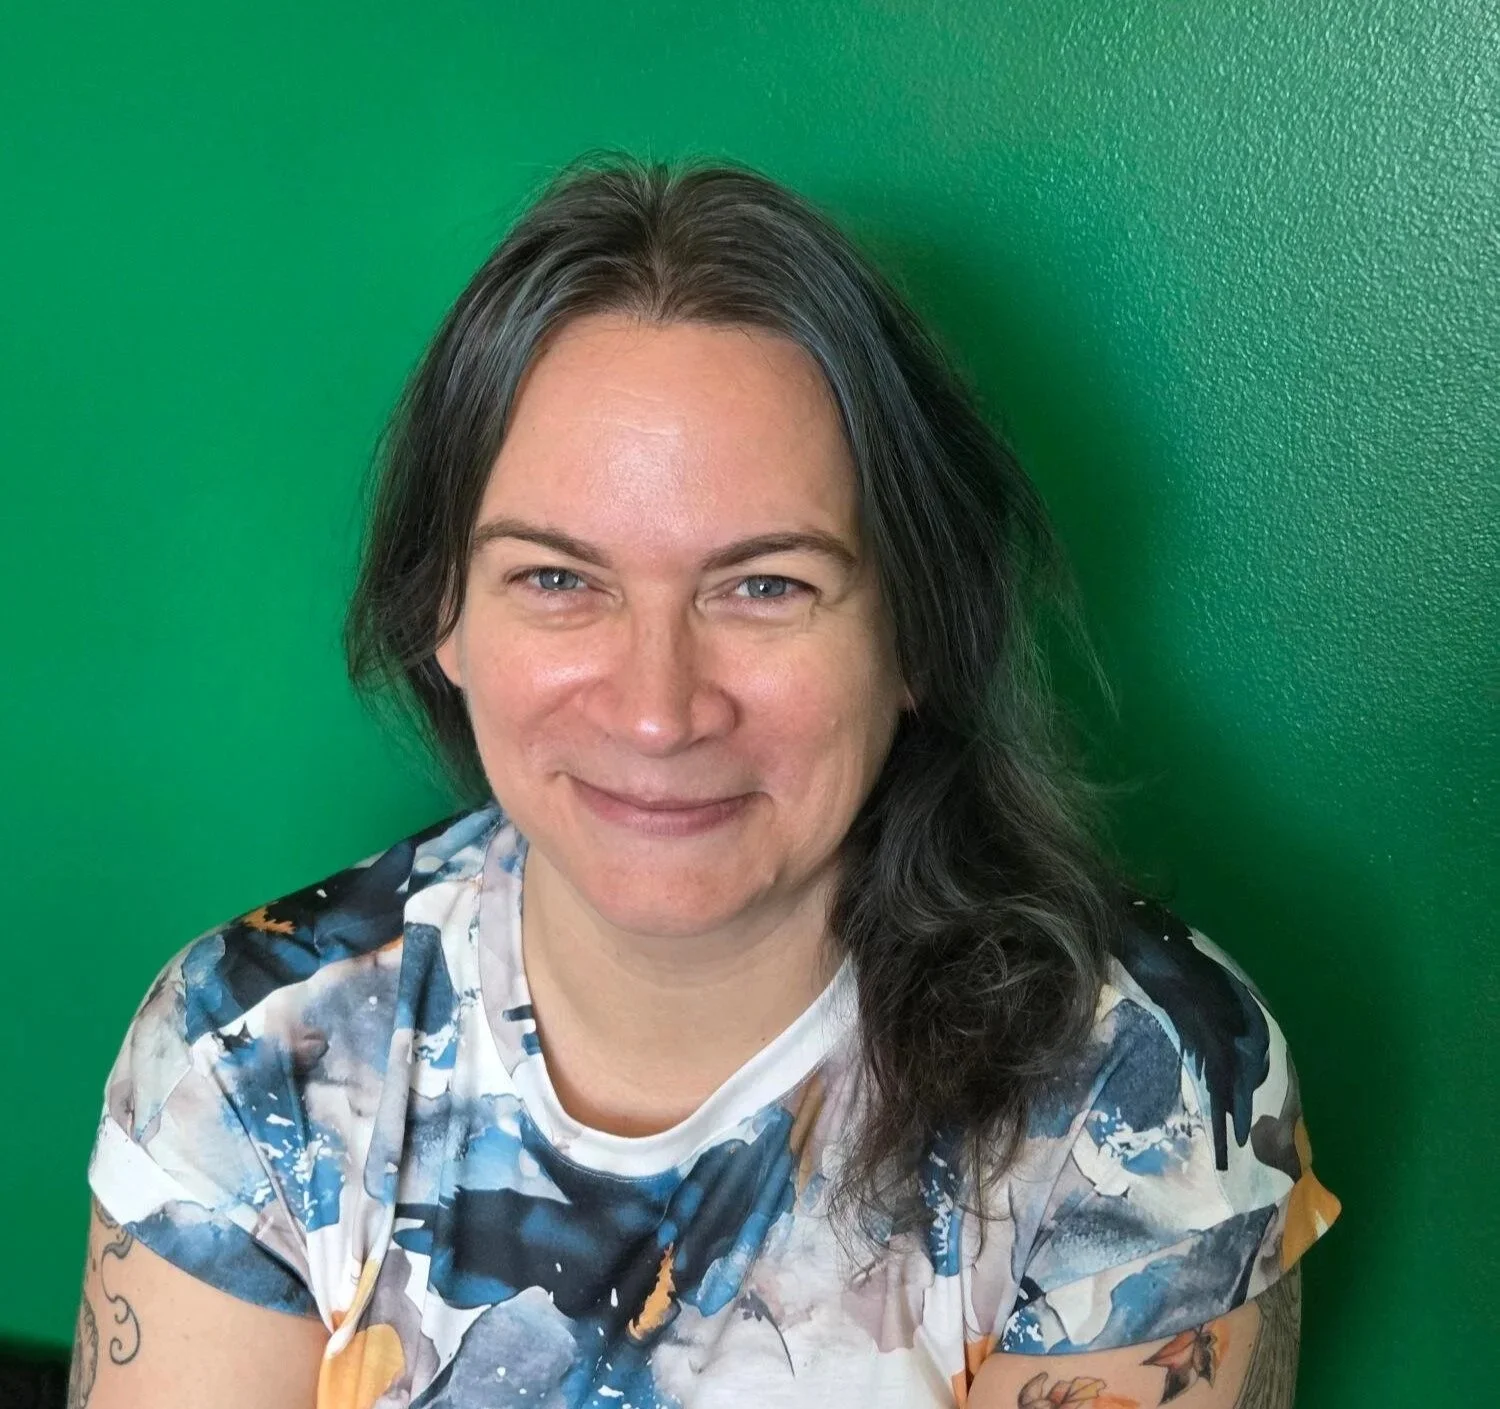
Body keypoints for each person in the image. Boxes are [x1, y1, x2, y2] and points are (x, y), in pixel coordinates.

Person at [72, 154, 1340, 1409]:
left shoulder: (1139, 1093)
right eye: (558, 579)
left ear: (916, 632)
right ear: (443, 615)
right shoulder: (250, 1048)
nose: (657, 708)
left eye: (766, 585)